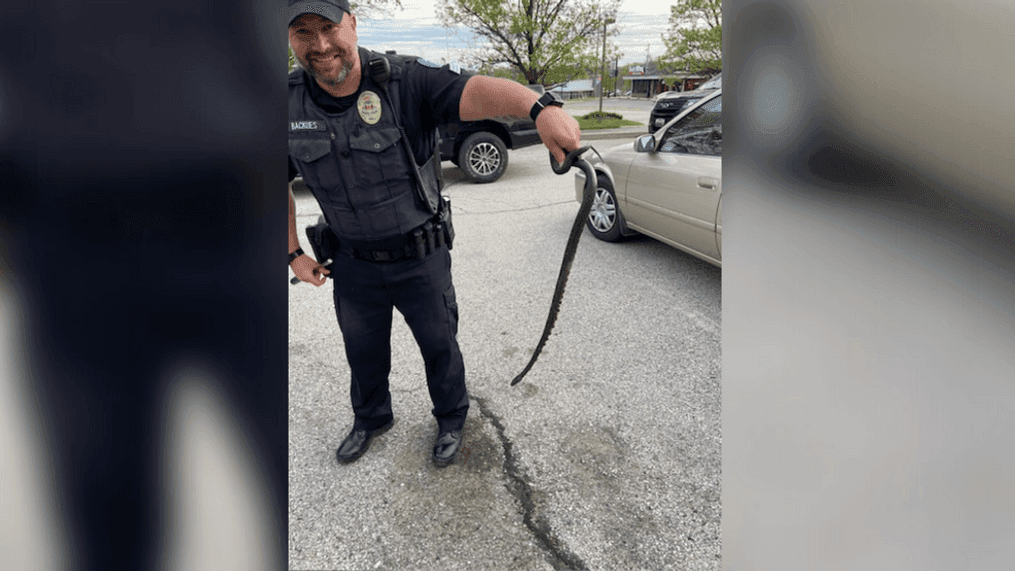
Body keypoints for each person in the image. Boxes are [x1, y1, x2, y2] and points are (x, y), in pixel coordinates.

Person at [286, 0, 581, 467]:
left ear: (353, 24)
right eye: (303, 32)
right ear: (289, 39)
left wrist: (540, 106)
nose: (320, 45)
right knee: (361, 351)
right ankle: (371, 418)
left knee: (440, 345)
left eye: (329, 27)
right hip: (353, 265)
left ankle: (450, 417)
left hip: (420, 257)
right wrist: (293, 255)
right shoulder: (284, 103)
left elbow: (476, 89)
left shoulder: (405, 81)